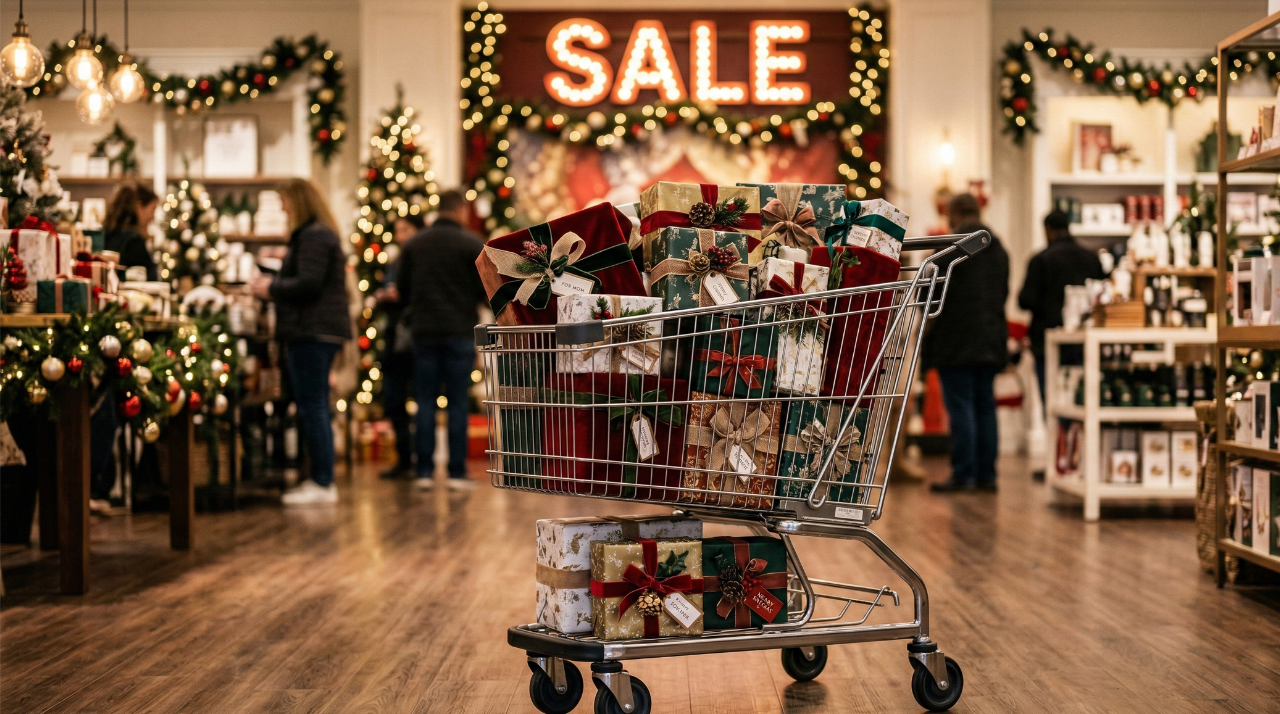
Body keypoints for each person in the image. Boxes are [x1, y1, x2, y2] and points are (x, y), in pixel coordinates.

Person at [252, 179, 352, 506]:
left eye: (285, 202)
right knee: (315, 405)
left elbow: (309, 283)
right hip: (317, 330)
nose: (282, 209)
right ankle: (320, 479)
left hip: (312, 330)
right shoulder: (319, 234)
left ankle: (322, 482)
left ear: (298, 202)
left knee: (313, 407)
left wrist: (271, 288)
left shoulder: (313, 235)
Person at [397, 190, 486, 489]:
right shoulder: (472, 244)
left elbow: (403, 290)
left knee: (424, 402)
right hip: (459, 332)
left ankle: (423, 471)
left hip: (424, 332)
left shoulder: (414, 244)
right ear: (461, 210)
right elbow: (483, 291)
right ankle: (456, 473)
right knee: (457, 402)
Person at [921, 193, 1009, 493]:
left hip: (956, 340)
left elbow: (928, 297)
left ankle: (964, 474)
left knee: (961, 407)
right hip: (991, 338)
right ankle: (988, 474)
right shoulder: (999, 250)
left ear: (954, 213)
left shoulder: (949, 249)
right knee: (985, 405)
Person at [1018, 209, 1106, 411]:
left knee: (1052, 405)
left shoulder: (1041, 260)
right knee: (1084, 403)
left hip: (1047, 343)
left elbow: (1025, 300)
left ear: (1048, 230)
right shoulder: (1091, 259)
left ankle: (1057, 442)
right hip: (1084, 343)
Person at [376, 212, 426, 479]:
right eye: (398, 230)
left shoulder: (424, 262)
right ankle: (405, 459)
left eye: (405, 229)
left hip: (417, 339)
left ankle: (422, 462)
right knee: (394, 401)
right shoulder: (394, 263)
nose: (400, 236)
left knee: (421, 400)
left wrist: (400, 294)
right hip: (395, 342)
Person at [102, 183, 159, 281]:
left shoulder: (106, 234)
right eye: (153, 209)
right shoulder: (134, 241)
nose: (153, 216)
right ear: (139, 206)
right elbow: (150, 279)